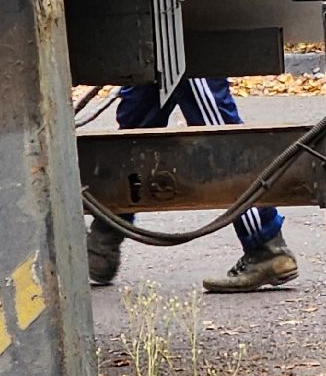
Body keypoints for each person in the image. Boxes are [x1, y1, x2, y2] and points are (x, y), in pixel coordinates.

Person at [85, 76, 300, 293]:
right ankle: (106, 233)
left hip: (189, 55)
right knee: (136, 120)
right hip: (160, 54)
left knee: (219, 133)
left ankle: (266, 246)